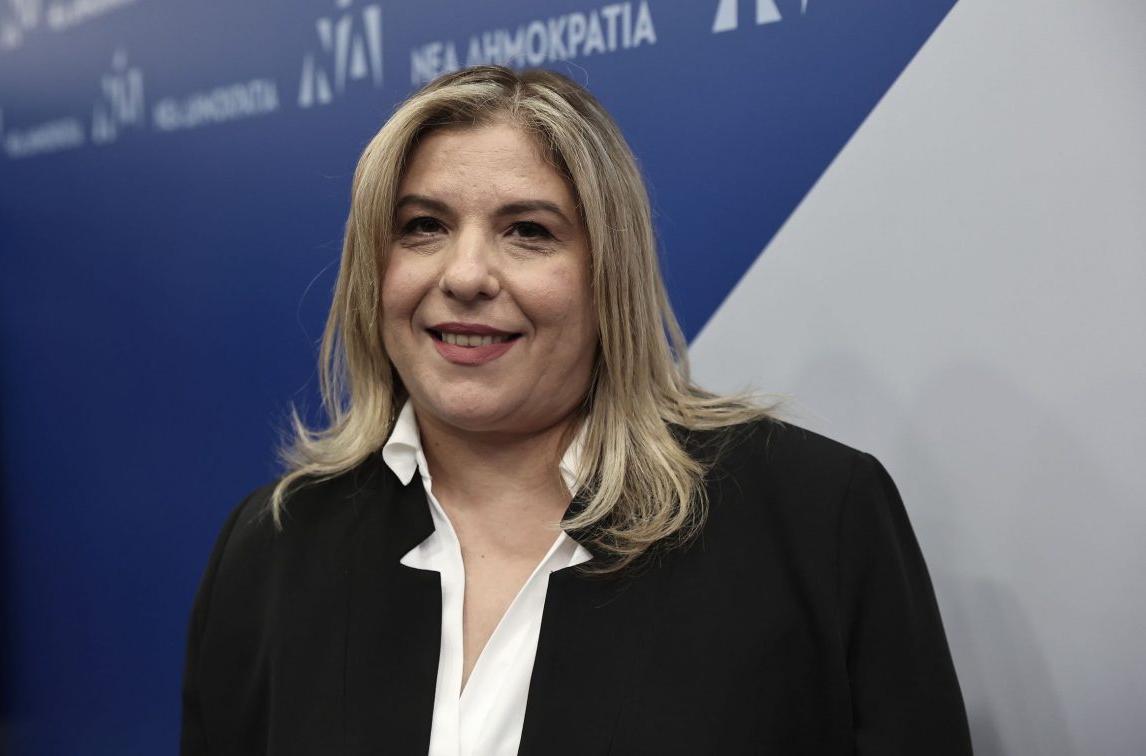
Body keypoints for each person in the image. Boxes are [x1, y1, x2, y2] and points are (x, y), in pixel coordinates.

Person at [182, 66, 972, 755]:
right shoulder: (271, 551)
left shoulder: (813, 520)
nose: (465, 275)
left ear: (609, 276)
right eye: (423, 227)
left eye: (528, 231)